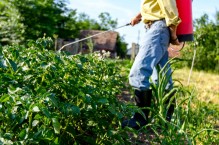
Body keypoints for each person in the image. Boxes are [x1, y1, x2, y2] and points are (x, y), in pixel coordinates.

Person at [122, 0, 181, 129]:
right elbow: (154, 4)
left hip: (158, 28)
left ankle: (140, 119)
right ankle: (167, 118)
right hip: (156, 28)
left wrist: (173, 33)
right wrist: (139, 16)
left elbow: (168, 5)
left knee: (139, 72)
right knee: (162, 76)